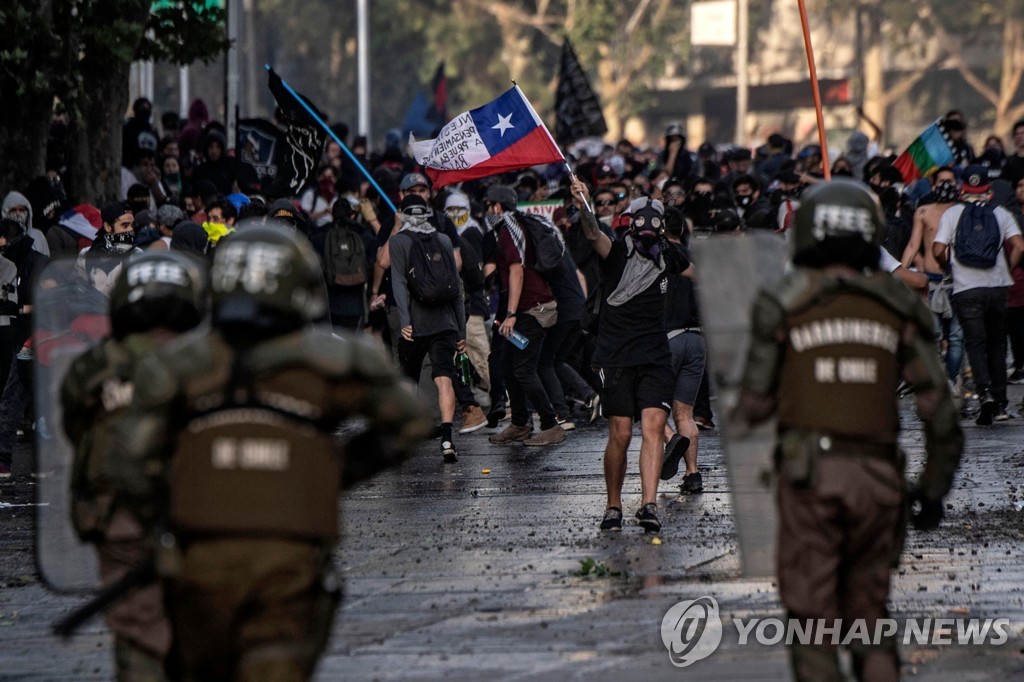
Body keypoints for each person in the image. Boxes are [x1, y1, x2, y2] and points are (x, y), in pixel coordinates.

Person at [102, 226, 432, 680]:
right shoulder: (332, 360)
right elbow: (410, 418)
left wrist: (177, 493)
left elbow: (127, 462)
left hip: (199, 557)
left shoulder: (177, 364)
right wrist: (337, 468)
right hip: (289, 556)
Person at [734, 178, 965, 681]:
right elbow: (940, 411)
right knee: (869, 616)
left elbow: (749, 407)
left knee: (812, 621)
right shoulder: (896, 305)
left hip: (809, 479)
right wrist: (932, 489)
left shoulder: (783, 302)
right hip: (879, 478)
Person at [62, 251, 207, 680]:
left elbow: (76, 427)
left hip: (121, 520)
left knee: (139, 642)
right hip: (204, 515)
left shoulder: (97, 364)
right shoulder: (211, 360)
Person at [572, 181, 694, 534]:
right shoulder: (617, 251)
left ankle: (648, 504)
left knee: (654, 428)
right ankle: (613, 505)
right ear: (629, 222)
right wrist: (584, 201)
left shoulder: (668, 255)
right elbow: (593, 233)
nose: (646, 228)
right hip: (615, 356)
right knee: (621, 433)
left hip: (656, 354)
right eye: (640, 221)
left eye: (653, 221)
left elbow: (698, 273)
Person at [933, 165, 1024, 423]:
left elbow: (938, 248)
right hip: (997, 288)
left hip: (966, 289)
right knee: (997, 343)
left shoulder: (953, 213)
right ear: (988, 189)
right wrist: (1007, 270)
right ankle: (1002, 404)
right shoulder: (1001, 213)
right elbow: (1019, 246)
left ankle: (984, 394)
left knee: (975, 342)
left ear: (964, 189)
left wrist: (948, 267)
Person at [389, 194, 467, 462]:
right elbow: (456, 289)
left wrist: (404, 321)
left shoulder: (398, 241)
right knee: (444, 378)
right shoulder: (444, 240)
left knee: (407, 379)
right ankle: (447, 439)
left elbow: (398, 282)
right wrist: (461, 331)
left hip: (416, 324)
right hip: (445, 322)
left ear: (402, 214)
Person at [485, 185, 565, 447]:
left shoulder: (509, 229)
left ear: (497, 207)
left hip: (532, 308)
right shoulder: (514, 226)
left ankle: (551, 425)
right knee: (508, 366)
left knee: (523, 369)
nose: (487, 211)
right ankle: (520, 424)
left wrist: (510, 314)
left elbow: (517, 271)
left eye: (489, 206)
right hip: (526, 308)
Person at [900, 167, 965, 391]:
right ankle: (935, 383)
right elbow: (912, 245)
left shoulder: (963, 211)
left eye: (950, 181)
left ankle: (951, 379)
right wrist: (903, 271)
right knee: (933, 335)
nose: (946, 185)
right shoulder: (923, 212)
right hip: (930, 280)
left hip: (958, 280)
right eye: (941, 181)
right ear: (934, 185)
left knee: (956, 337)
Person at [660, 206, 703, 493]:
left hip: (667, 339)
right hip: (697, 340)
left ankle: (671, 439)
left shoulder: (657, 257)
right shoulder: (698, 258)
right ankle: (693, 474)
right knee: (685, 413)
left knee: (649, 408)